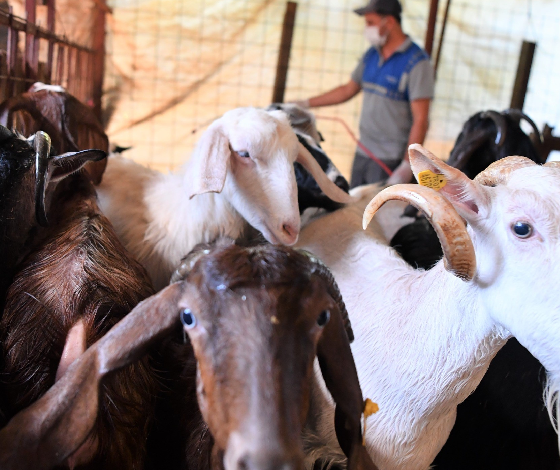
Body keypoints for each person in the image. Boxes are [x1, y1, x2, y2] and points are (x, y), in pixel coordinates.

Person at [294, 0, 434, 187]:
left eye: (370, 23)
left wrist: (407, 165)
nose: (367, 29)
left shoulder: (417, 63)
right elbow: (347, 90)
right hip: (363, 151)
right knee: (355, 207)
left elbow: (421, 119)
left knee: (377, 212)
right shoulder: (372, 55)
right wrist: (304, 103)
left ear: (389, 22)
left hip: (389, 159)